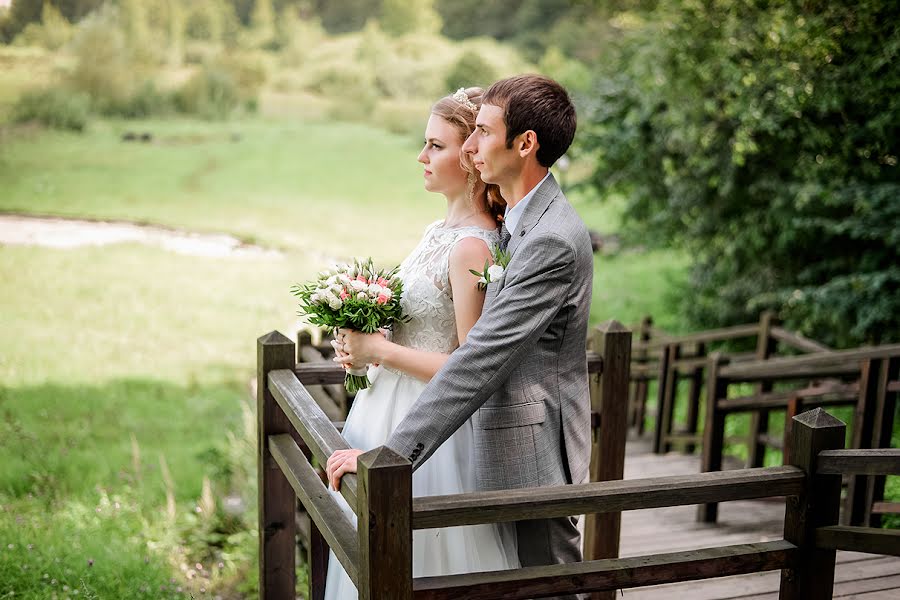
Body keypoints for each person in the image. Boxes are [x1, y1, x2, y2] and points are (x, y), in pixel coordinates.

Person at [327, 74, 593, 600]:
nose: (471, 147)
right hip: (494, 434)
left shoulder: (551, 240)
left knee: (551, 587)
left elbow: (479, 357)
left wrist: (390, 455)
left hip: (532, 451)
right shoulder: (519, 220)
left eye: (483, 132)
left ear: (525, 143)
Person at [322, 87, 519, 600]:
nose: (422, 156)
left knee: (412, 563)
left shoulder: (473, 247)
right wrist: (366, 339)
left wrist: (379, 352)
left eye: (435, 145)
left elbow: (470, 367)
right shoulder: (439, 230)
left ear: (472, 159)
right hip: (384, 406)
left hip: (430, 429)